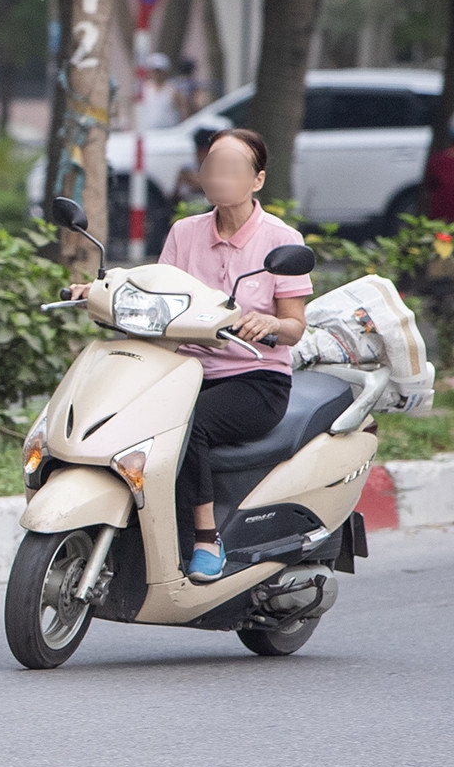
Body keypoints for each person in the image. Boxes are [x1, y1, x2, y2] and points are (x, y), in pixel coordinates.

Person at [70, 128, 309, 581]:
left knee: (188, 424)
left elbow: (295, 326)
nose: (219, 177)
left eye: (232, 169)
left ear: (257, 180)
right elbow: (157, 285)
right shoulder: (185, 232)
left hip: (255, 380)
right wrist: (100, 289)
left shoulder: (281, 238)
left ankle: (205, 538)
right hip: (183, 370)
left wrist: (273, 325)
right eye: (212, 167)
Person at [137, 53, 182, 130]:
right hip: (149, 131)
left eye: (159, 71)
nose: (156, 74)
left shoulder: (172, 90)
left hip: (169, 131)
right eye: (154, 71)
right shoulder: (144, 89)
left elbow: (181, 110)